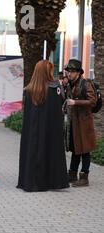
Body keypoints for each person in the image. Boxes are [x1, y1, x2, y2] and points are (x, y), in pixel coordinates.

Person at [17, 60, 69, 192]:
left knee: (33, 151)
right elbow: (62, 103)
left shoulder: (29, 90)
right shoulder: (54, 88)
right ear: (47, 72)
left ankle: (30, 181)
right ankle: (51, 181)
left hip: (32, 131)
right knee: (50, 152)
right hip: (51, 130)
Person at [64, 59, 97, 187]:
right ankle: (72, 174)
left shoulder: (85, 83)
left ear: (78, 72)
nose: (69, 74)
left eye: (72, 71)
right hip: (74, 122)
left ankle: (84, 177)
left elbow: (92, 101)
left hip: (84, 122)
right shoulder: (70, 84)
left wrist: (76, 102)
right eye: (68, 71)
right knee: (75, 148)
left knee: (85, 150)